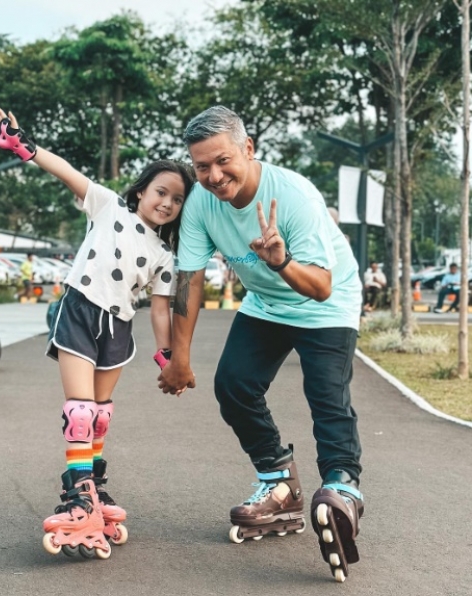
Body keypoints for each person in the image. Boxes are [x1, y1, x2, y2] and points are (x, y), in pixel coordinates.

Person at [158, 106, 364, 583]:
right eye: (201, 167)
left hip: (323, 303)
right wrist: (179, 359)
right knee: (233, 384)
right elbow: (189, 279)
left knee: (327, 398)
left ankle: (342, 491)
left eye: (223, 161)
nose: (212, 176)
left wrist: (280, 261)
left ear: (249, 150)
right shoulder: (201, 205)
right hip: (267, 303)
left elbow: (321, 287)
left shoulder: (293, 197)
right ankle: (279, 483)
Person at [0, 103, 194, 559]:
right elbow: (67, 172)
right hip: (80, 311)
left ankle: (94, 486)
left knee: (100, 414)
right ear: (141, 191)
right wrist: (25, 146)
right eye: (162, 192)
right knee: (79, 412)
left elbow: (160, 310)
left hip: (118, 329)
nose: (167, 203)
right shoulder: (108, 206)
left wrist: (167, 356)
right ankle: (77, 495)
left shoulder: (164, 255)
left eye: (177, 200)